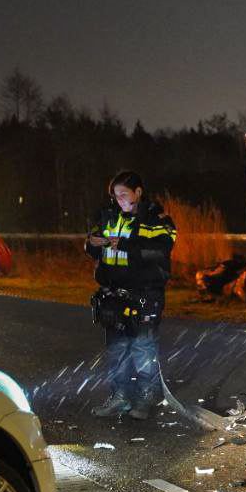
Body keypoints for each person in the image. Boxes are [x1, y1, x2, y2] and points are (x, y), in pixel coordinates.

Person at [86, 171, 176, 420]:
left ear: (138, 192)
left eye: (123, 194)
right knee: (116, 349)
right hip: (113, 293)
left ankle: (148, 396)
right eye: (115, 195)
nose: (119, 199)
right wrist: (92, 243)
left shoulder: (157, 218)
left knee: (142, 348)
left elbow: (161, 249)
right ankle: (120, 396)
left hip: (145, 293)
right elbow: (92, 245)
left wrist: (124, 245)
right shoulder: (107, 216)